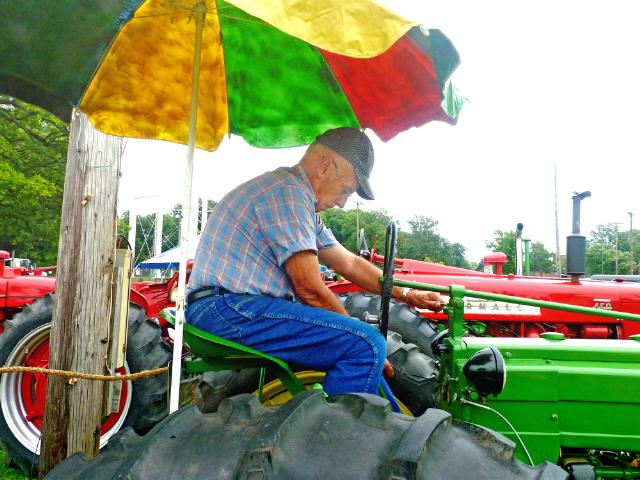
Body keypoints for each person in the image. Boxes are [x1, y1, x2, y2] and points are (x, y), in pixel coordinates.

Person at [186, 127, 443, 396]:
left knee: (367, 345)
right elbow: (309, 287)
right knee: (366, 344)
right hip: (226, 310)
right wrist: (363, 340)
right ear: (324, 166)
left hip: (230, 308)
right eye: (345, 190)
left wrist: (407, 294)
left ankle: (379, 423)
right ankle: (336, 433)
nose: (343, 203)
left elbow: (350, 264)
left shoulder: (298, 201)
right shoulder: (288, 194)